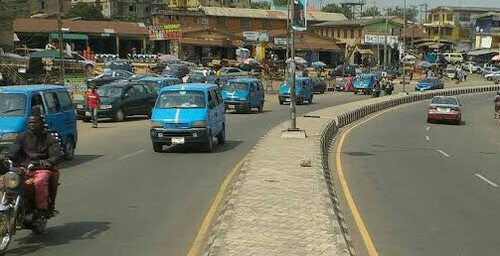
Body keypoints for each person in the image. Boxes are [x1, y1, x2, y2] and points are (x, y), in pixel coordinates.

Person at [8, 109, 61, 217]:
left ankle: (41, 209)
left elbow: (56, 154)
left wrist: (48, 161)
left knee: (39, 182)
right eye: (30, 123)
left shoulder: (49, 138)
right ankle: (7, 204)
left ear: (41, 124)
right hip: (24, 169)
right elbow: (14, 150)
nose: (32, 124)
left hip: (42, 169)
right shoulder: (22, 136)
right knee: (5, 181)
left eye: (34, 122)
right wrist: (9, 157)